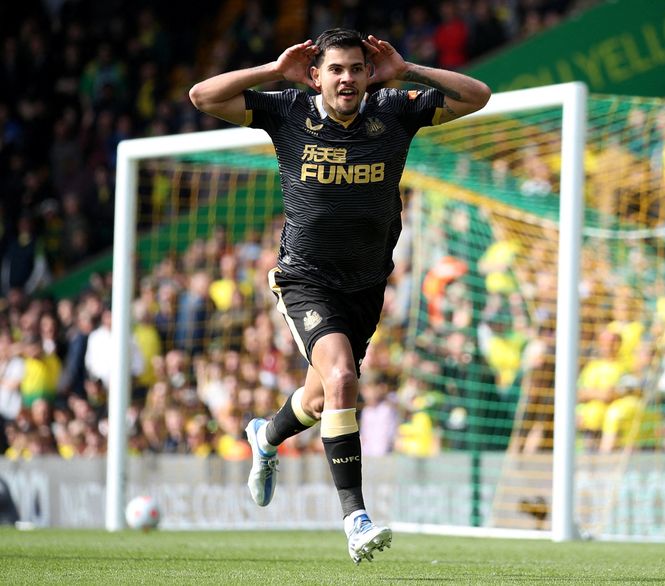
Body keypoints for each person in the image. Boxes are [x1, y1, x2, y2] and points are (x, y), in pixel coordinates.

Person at [189, 28, 490, 563]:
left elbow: (478, 95)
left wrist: (409, 71)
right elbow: (202, 97)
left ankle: (267, 434)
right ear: (316, 76)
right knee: (343, 378)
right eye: (335, 69)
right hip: (305, 277)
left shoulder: (396, 111)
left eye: (356, 68)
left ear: (368, 73)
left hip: (367, 283)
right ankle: (356, 517)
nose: (347, 78)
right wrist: (272, 72)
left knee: (321, 396)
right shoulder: (287, 111)